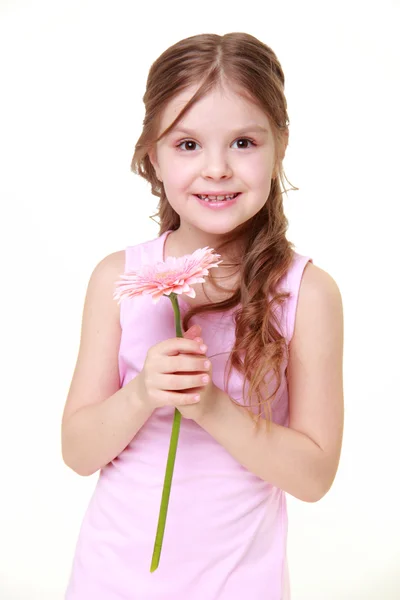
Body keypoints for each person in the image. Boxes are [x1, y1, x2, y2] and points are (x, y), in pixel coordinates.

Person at [61, 32, 344, 600]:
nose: (216, 168)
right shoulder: (117, 280)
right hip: (111, 582)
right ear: (152, 154)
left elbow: (314, 477)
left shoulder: (307, 293)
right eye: (188, 145)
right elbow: (77, 450)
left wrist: (213, 407)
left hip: (240, 586)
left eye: (243, 141)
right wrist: (142, 393)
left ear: (279, 146)